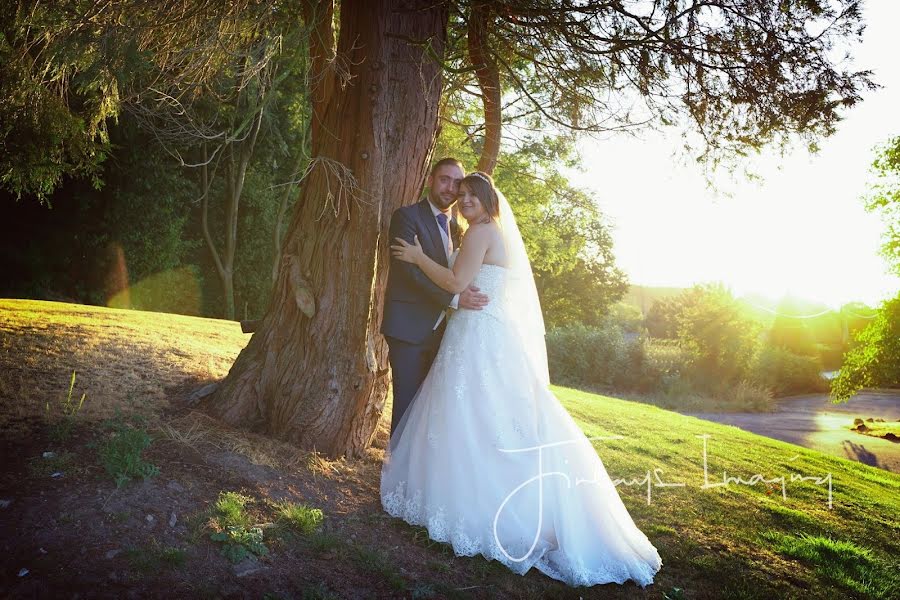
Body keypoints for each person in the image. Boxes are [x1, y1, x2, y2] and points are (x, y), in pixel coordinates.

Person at [381, 171, 663, 588]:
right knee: (485, 414)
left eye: (472, 196)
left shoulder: (479, 233)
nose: (464, 202)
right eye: (460, 196)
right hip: (483, 330)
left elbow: (457, 282)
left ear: (488, 200)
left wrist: (418, 257)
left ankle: (477, 500)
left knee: (474, 414)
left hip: (477, 334)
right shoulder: (491, 233)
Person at [381, 158, 490, 438]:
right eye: (444, 179)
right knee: (406, 406)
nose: (451, 188)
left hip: (445, 335)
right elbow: (408, 273)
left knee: (431, 410)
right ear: (431, 179)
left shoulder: (458, 227)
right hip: (409, 328)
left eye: (457, 182)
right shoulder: (406, 217)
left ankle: (420, 473)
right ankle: (396, 477)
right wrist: (454, 300)